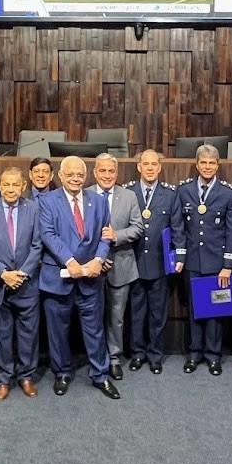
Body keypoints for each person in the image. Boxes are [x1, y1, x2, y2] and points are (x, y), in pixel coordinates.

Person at [38, 155, 119, 399]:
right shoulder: (47, 201)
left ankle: (100, 375)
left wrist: (98, 260)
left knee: (95, 330)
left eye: (80, 175)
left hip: (91, 279)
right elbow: (48, 234)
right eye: (70, 174)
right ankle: (62, 373)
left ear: (86, 176)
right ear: (60, 176)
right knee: (57, 331)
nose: (75, 178)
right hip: (59, 278)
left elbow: (106, 235)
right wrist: (70, 261)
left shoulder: (99, 201)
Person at [0, 167, 43, 400]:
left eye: (15, 185)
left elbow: (37, 245)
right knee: (0, 334)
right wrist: (4, 274)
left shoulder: (34, 209)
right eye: (6, 184)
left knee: (28, 334)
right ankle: (4, 378)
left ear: (23, 186)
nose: (11, 189)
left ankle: (26, 376)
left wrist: (21, 274)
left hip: (27, 283)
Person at [175, 144, 232, 376]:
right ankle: (194, 353)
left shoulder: (228, 193)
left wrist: (228, 266)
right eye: (203, 162)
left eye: (212, 163)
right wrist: (180, 255)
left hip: (216, 262)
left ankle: (213, 355)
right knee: (194, 309)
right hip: (192, 261)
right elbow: (179, 227)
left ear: (218, 165)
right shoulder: (184, 191)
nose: (207, 167)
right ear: (197, 164)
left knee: (215, 310)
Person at [127, 149, 182, 374]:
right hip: (134, 262)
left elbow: (177, 227)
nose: (150, 168)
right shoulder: (128, 193)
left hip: (160, 263)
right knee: (136, 312)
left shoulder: (170, 195)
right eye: (146, 164)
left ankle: (155, 355)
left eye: (154, 164)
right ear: (139, 167)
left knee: (158, 313)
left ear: (160, 168)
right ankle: (138, 353)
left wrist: (180, 256)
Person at [91, 153, 145, 380]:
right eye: (102, 171)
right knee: (92, 316)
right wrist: (97, 257)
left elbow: (138, 227)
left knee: (116, 317)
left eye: (111, 171)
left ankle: (114, 358)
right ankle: (96, 358)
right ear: (95, 173)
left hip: (121, 265)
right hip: (91, 268)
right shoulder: (85, 194)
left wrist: (116, 236)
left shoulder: (129, 196)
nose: (107, 175)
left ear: (117, 173)